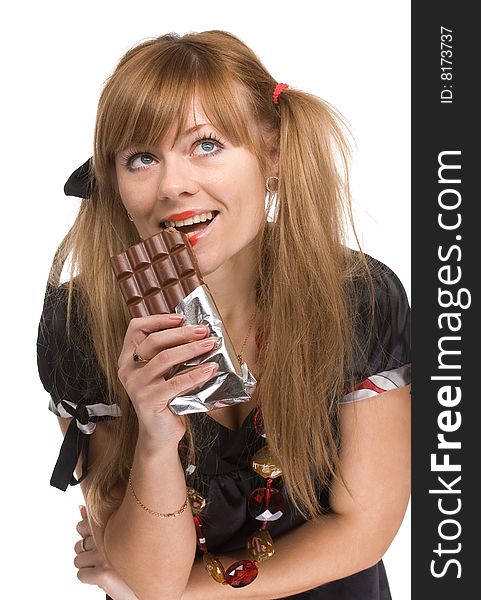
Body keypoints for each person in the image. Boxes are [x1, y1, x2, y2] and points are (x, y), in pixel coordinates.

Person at [36, 30, 411, 600]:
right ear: (114, 181)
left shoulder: (357, 298)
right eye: (142, 158)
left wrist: (176, 594)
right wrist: (157, 434)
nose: (174, 185)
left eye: (206, 144)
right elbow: (145, 572)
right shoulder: (80, 328)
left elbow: (364, 531)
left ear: (272, 152)